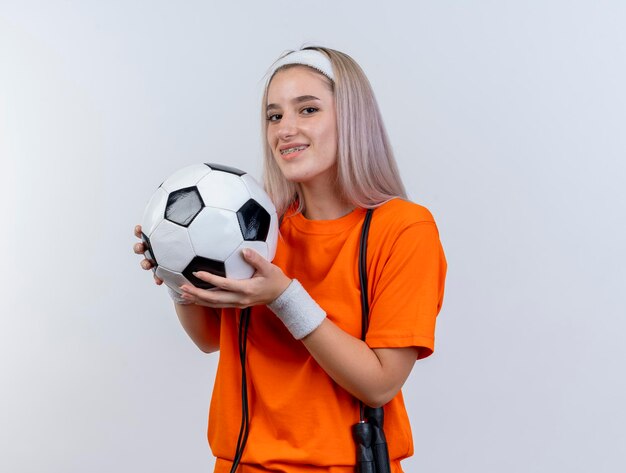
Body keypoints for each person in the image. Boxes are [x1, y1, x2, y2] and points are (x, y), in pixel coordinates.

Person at [133, 46, 447, 473]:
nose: (286, 129)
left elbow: (380, 384)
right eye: (274, 115)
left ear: (352, 119)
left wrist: (283, 297)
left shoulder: (403, 228)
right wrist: (175, 273)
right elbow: (209, 339)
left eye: (308, 109)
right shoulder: (259, 226)